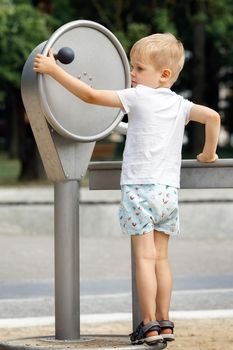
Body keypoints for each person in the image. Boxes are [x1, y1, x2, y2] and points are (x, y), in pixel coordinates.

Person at [34, 32, 220, 348]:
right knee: (162, 260)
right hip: (167, 193)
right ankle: (164, 321)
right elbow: (213, 117)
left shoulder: (137, 98)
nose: (131, 74)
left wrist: (54, 71)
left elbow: (90, 96)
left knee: (144, 261)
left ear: (163, 75)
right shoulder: (180, 104)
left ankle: (148, 325)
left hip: (139, 191)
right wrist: (208, 154)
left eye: (138, 68)